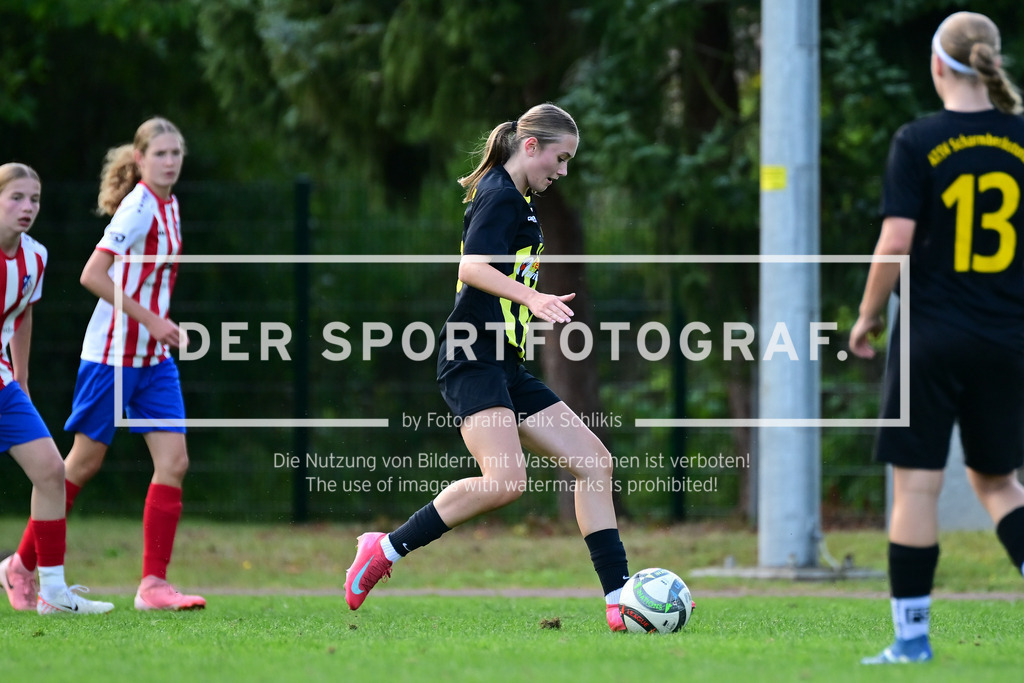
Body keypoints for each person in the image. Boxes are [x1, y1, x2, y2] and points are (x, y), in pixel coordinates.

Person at [343, 103, 635, 631]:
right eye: (560, 158)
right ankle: (383, 549)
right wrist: (533, 298)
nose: (564, 171)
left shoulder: (519, 198)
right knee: (505, 482)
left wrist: (527, 302)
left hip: (505, 364)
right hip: (472, 357)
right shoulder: (500, 194)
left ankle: (620, 600)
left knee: (594, 464)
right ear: (531, 146)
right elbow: (472, 267)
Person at [850, 12, 1024, 664]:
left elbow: (895, 241)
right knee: (999, 482)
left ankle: (912, 640)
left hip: (930, 337)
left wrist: (867, 314)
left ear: (936, 65)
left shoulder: (918, 140)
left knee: (917, 487)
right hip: (1007, 339)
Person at [8, 118, 205, 611]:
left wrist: (156, 328)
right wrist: (152, 320)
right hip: (113, 354)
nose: (170, 162)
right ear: (140, 159)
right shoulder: (138, 208)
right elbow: (92, 274)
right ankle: (22, 566)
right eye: (160, 153)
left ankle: (153, 586)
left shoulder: (171, 205)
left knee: (174, 462)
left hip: (153, 358)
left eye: (176, 153)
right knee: (81, 464)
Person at [0, 162, 115, 615]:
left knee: (51, 472)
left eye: (34, 199)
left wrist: (22, 378)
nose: (27, 207)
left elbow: (23, 315)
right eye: (16, 197)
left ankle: (52, 593)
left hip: (4, 384)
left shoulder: (35, 256)